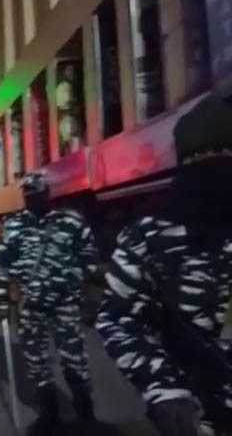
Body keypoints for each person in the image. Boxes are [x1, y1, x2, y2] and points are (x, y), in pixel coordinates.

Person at [96, 96, 232, 436]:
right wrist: (165, 390)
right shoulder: (149, 237)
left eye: (225, 154)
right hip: (202, 419)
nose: (214, 170)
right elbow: (118, 318)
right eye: (200, 159)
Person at [0, 172, 98, 435]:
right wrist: (1, 301)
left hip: (64, 304)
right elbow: (2, 264)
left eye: (38, 194)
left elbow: (89, 255)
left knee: (74, 358)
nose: (33, 199)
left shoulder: (71, 222)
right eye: (29, 195)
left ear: (48, 194)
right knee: (37, 362)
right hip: (29, 306)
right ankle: (49, 414)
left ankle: (86, 414)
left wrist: (73, 277)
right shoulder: (13, 225)